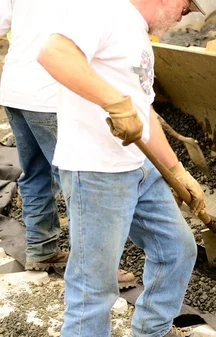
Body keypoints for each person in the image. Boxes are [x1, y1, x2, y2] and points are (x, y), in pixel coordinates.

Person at [38, 0, 208, 337]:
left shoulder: (137, 33)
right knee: (94, 286)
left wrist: (176, 170)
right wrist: (112, 102)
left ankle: (151, 328)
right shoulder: (105, 10)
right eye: (186, 4)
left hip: (137, 168)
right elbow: (53, 52)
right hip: (96, 172)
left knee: (178, 247)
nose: (186, 12)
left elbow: (142, 112)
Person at [0, 0, 137, 290]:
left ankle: (41, 248)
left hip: (15, 91)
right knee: (80, 180)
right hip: (52, 95)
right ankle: (93, 268)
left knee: (35, 172)